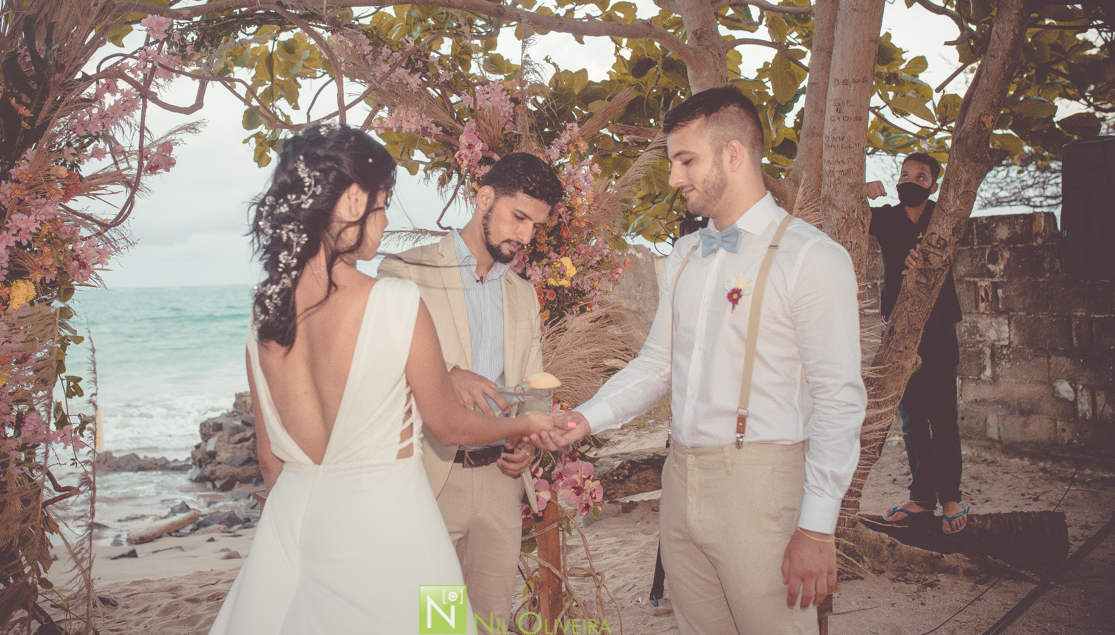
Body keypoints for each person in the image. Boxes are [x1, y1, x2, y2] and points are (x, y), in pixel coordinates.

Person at [531, 87, 868, 635]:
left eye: (685, 160)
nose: (674, 178)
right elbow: (657, 364)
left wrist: (817, 527)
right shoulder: (685, 254)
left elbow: (840, 397)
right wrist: (584, 420)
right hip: (681, 485)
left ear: (734, 154)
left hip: (762, 488)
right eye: (672, 162)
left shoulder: (814, 258)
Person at [207, 126, 568, 635]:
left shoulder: (262, 316)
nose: (386, 221)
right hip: (400, 529)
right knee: (439, 626)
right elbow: (446, 423)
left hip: (298, 532)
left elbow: (271, 459)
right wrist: (530, 422)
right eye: (382, 206)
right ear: (353, 200)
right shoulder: (395, 295)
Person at [377, 151, 565, 628]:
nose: (524, 236)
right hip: (433, 480)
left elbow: (531, 388)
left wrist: (525, 444)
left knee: (490, 622)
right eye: (518, 216)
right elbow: (377, 367)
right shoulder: (404, 270)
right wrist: (447, 372)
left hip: (501, 484)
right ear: (484, 198)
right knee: (436, 624)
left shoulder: (523, 293)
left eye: (535, 226)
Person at [867, 154, 969, 534]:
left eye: (920, 177)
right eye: (904, 174)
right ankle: (922, 498)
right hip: (896, 329)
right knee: (911, 422)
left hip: (939, 327)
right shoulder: (887, 217)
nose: (910, 180)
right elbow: (841, 212)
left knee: (943, 418)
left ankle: (951, 498)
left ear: (933, 185)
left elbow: (947, 252)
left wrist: (927, 263)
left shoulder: (943, 219)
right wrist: (862, 191)